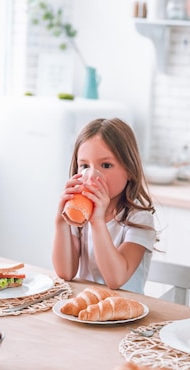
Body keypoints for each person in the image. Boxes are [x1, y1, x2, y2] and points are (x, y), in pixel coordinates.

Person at [52, 118, 156, 294]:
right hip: (87, 306)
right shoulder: (81, 213)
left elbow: (116, 279)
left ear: (130, 170)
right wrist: (61, 221)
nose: (92, 176)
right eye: (84, 165)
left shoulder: (139, 218)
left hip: (126, 312)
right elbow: (65, 273)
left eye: (106, 165)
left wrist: (98, 222)